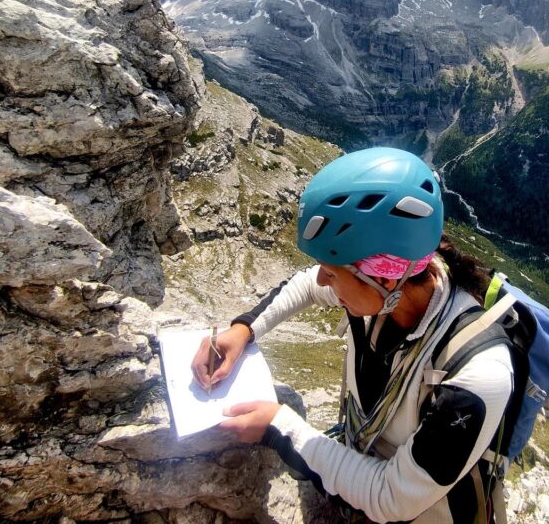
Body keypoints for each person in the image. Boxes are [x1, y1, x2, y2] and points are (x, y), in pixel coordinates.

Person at [192, 147, 513, 523]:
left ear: (383, 274)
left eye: (330, 269)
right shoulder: (383, 293)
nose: (322, 278)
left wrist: (280, 427)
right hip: (363, 466)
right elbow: (305, 286)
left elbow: (391, 499)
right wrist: (243, 329)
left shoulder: (478, 373)